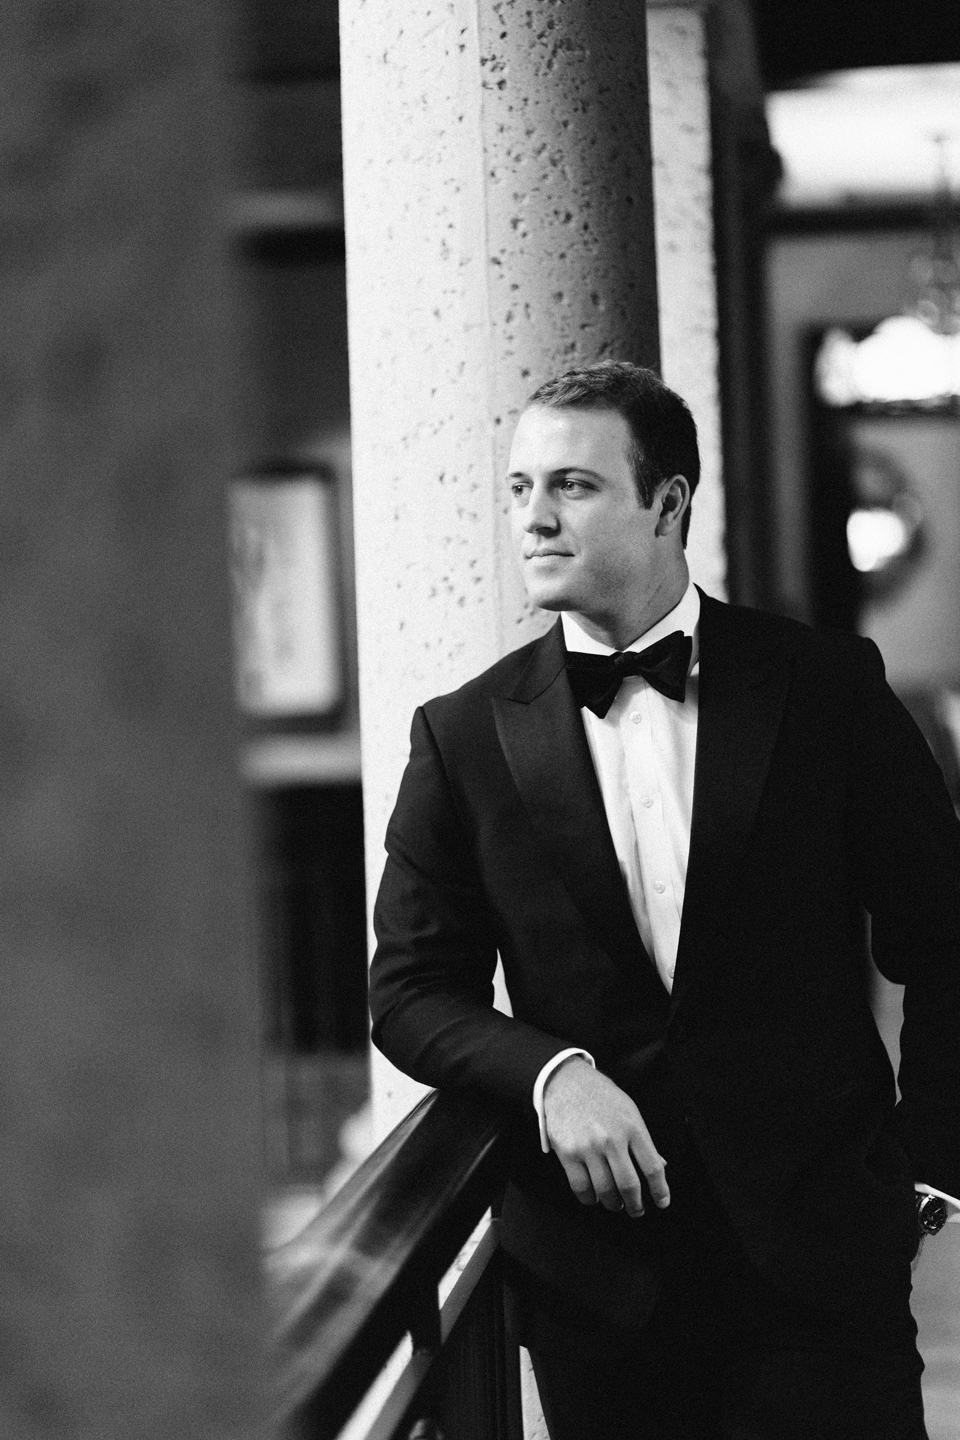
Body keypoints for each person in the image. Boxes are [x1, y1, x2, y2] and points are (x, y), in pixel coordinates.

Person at [368, 360, 960, 1439]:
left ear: (668, 502)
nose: (532, 519)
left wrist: (935, 1165)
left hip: (822, 1264)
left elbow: (947, 931)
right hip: (601, 1285)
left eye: (572, 487)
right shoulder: (460, 737)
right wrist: (551, 1075)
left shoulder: (825, 686)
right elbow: (409, 989)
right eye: (517, 489)